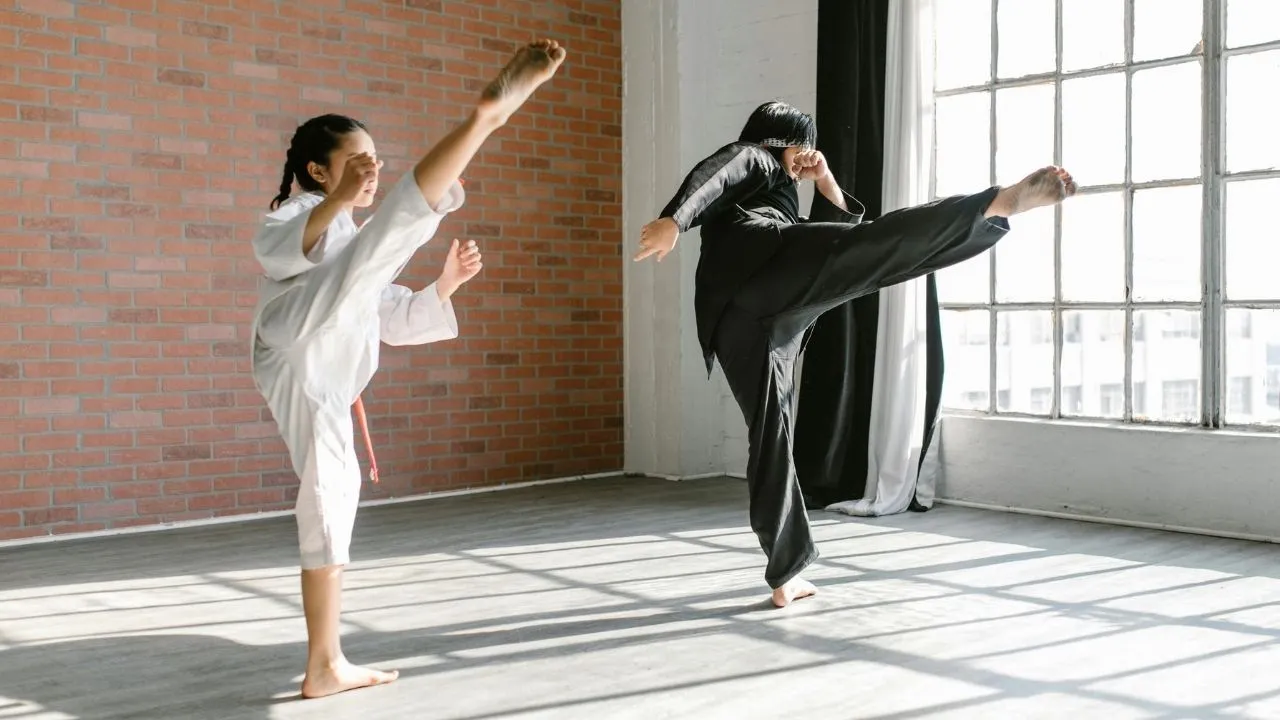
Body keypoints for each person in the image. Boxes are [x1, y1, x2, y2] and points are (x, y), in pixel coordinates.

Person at [634, 100, 1076, 608]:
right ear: (780, 141)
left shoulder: (780, 192)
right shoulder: (757, 159)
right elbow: (724, 169)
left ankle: (786, 573)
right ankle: (994, 206)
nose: (805, 157)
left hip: (749, 325)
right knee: (876, 247)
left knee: (772, 438)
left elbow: (828, 239)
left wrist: (823, 179)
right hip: (762, 274)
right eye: (802, 146)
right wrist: (674, 219)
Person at [250, 40, 567, 698]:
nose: (369, 171)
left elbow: (388, 315)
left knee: (335, 493)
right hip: (294, 341)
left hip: (326, 371)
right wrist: (337, 200)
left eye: (374, 161)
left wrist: (445, 286)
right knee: (386, 233)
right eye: (356, 163)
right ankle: (483, 121)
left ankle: (325, 663)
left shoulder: (350, 240)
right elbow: (277, 252)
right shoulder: (298, 212)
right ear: (316, 170)